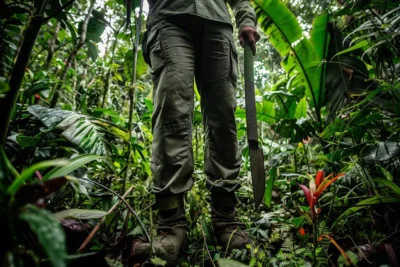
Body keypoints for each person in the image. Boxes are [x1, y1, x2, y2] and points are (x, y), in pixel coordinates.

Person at [135, 0, 260, 263]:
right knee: (172, 110)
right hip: (169, 18)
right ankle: (171, 223)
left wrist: (246, 18)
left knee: (223, 115)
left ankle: (225, 218)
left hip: (216, 22)